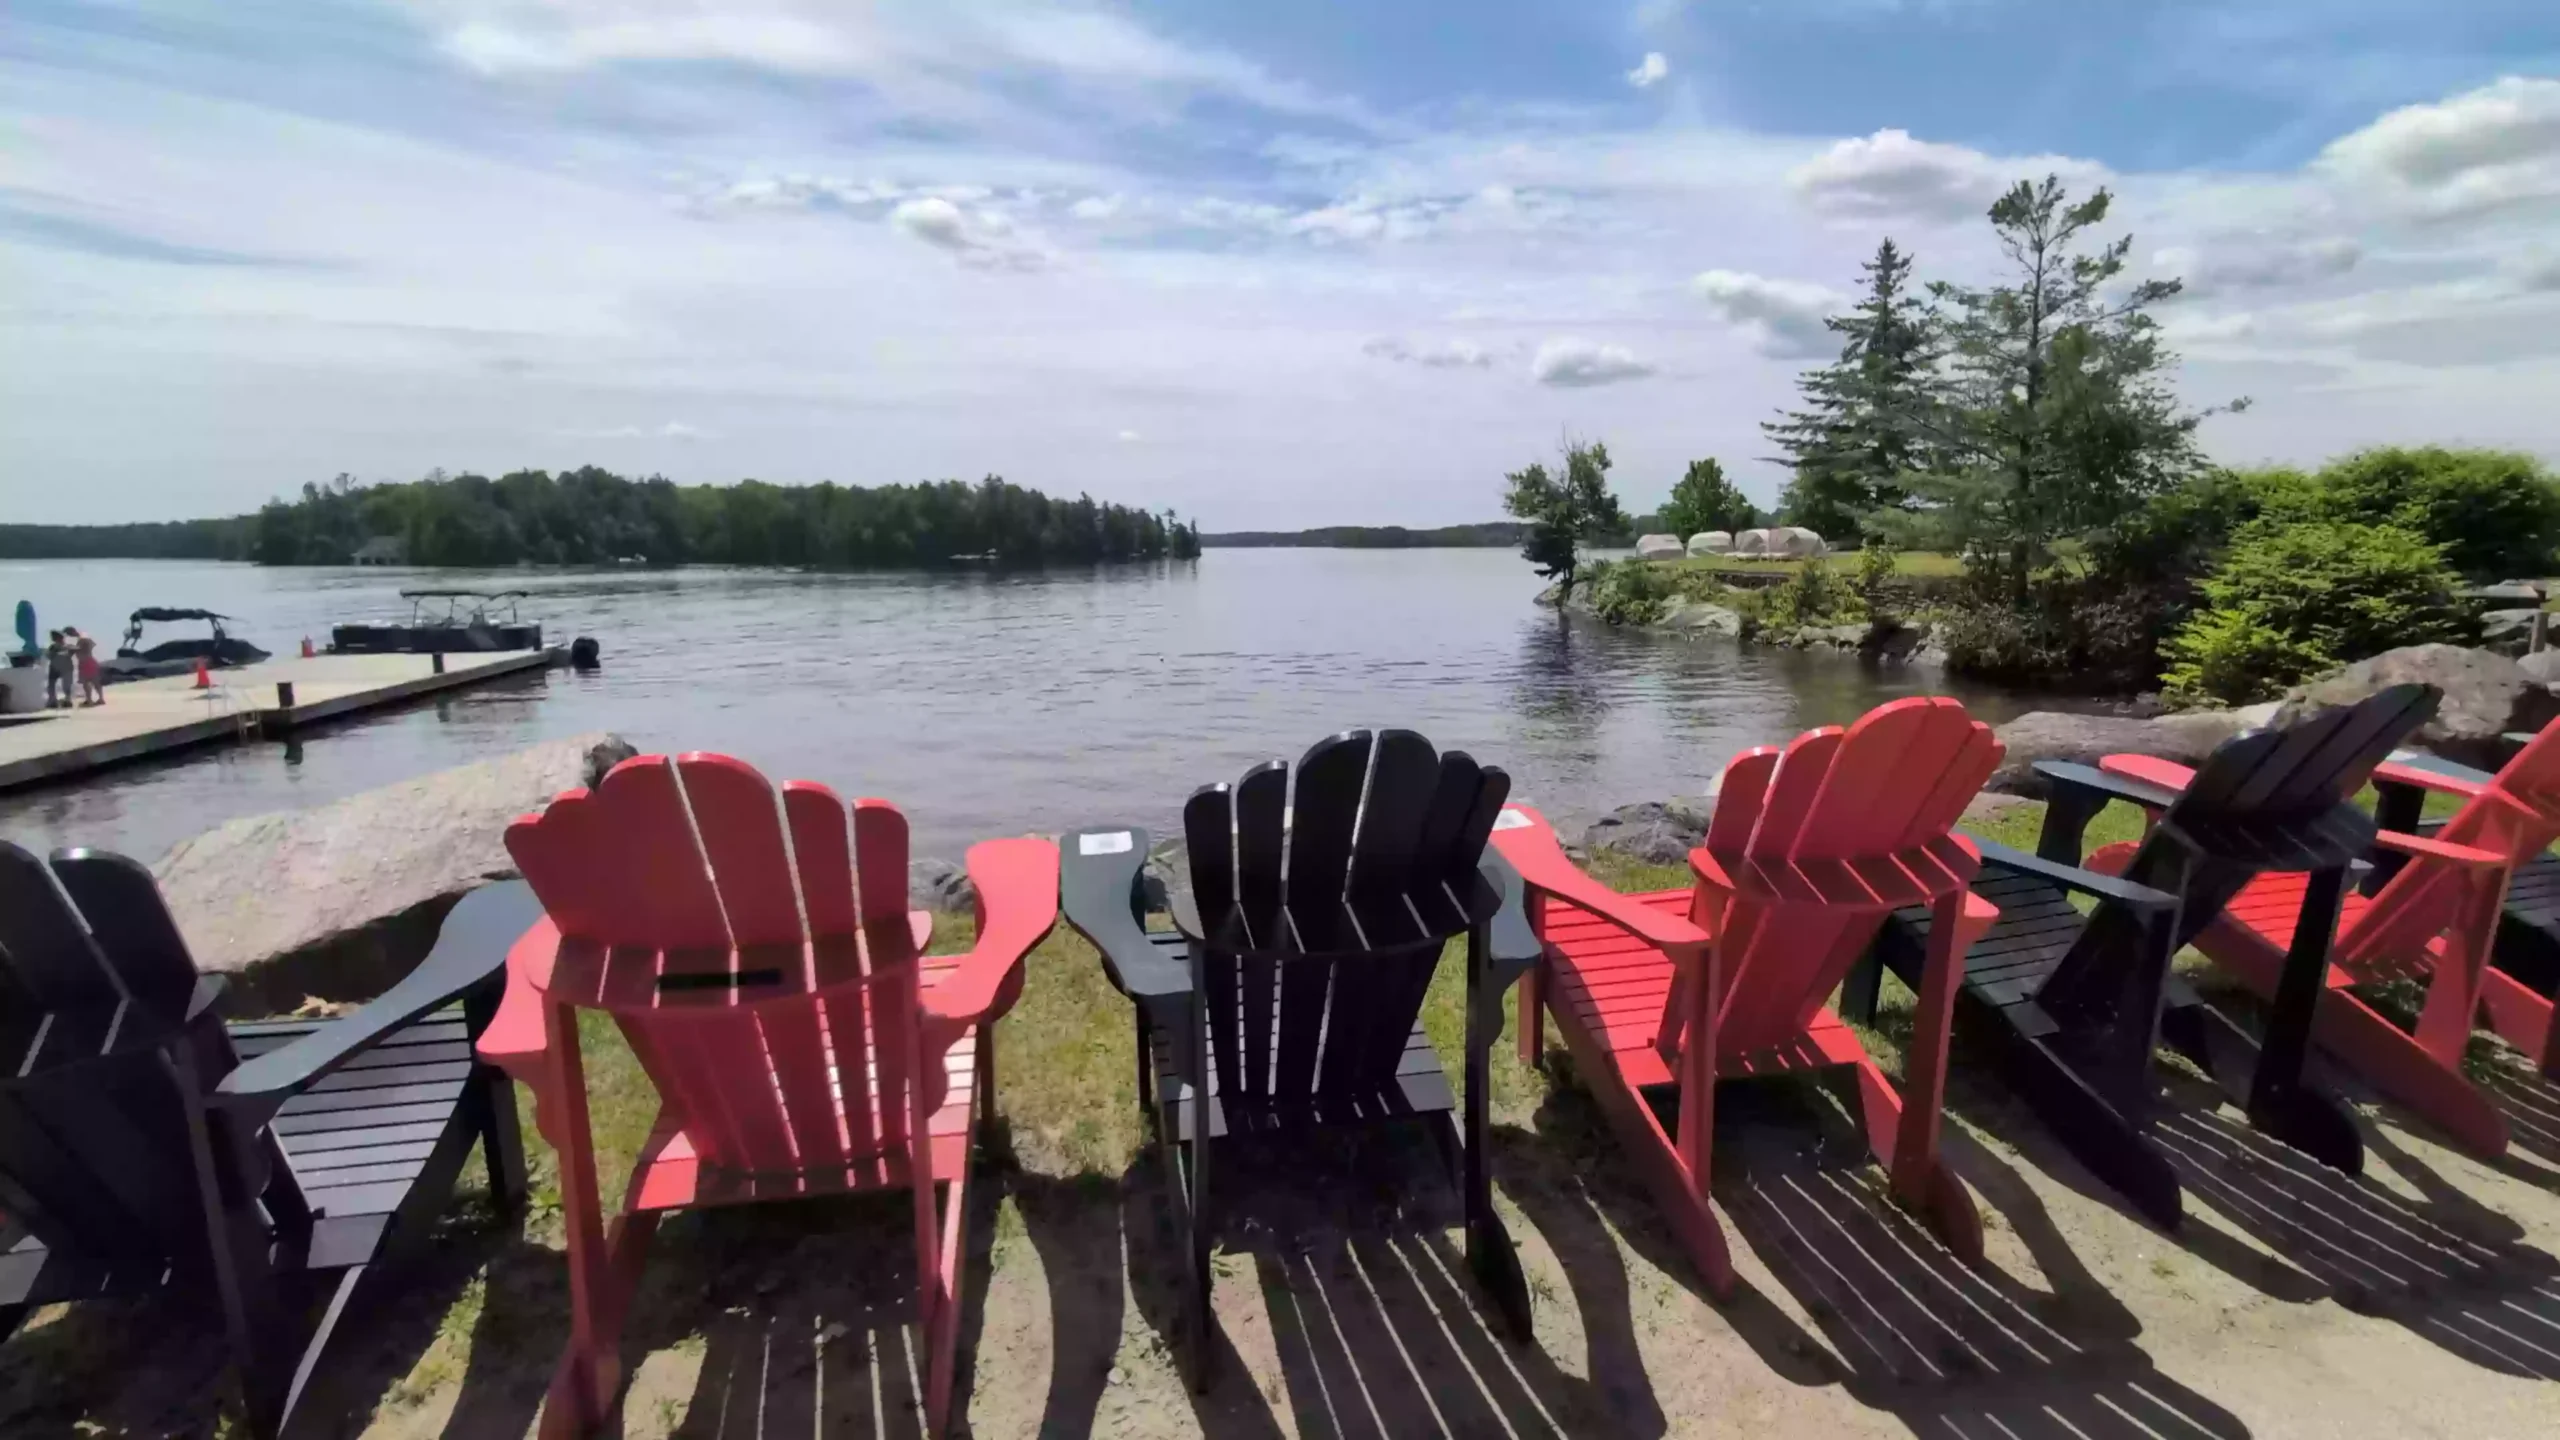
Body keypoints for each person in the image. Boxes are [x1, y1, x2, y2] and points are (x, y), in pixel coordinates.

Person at [73, 629, 103, 706]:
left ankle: (89, 700)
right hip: (91, 660)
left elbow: (77, 651)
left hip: (84, 662)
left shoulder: (80, 641)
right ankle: (101, 698)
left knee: (86, 682)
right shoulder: (86, 640)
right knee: (95, 681)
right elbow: (93, 644)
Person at [43, 629, 71, 708]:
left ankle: (52, 701)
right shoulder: (66, 646)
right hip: (65, 667)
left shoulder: (53, 647)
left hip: (54, 667)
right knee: (66, 685)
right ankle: (68, 700)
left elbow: (49, 656)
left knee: (51, 685)